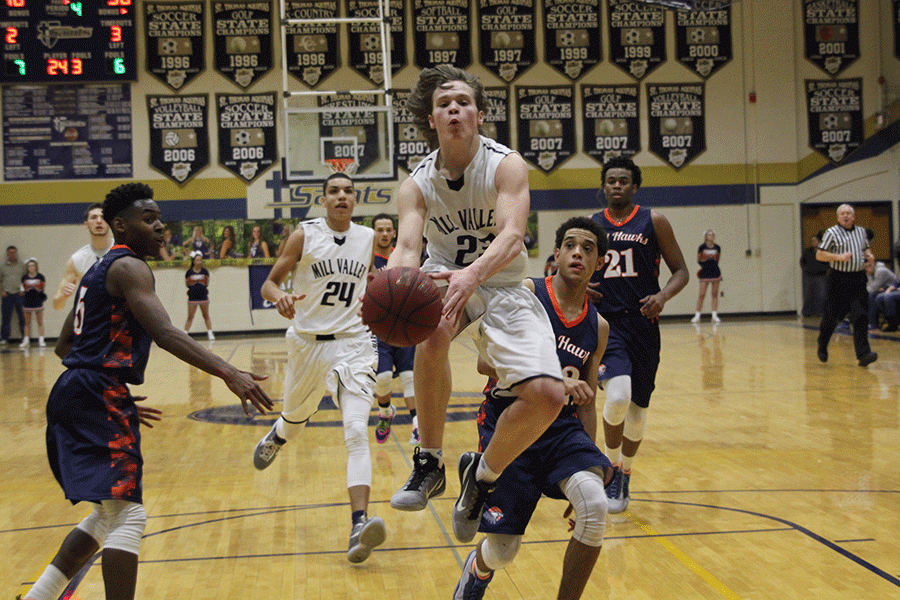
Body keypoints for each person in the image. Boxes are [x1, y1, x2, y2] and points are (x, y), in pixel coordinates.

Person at [18, 182, 273, 600]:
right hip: (94, 391)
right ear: (120, 225)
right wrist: (229, 372)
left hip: (79, 390)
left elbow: (67, 345)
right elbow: (165, 332)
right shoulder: (129, 267)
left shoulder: (98, 270)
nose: (160, 227)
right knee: (129, 517)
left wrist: (106, 386)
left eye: (160, 219)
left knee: (105, 515)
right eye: (149, 219)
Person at [382, 65, 567, 547]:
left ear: (480, 114)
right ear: (431, 120)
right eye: (444, 104)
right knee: (430, 330)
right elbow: (406, 244)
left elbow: (511, 237)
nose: (454, 110)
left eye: (463, 102)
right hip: (446, 278)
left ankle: (481, 477)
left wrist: (473, 274)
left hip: (503, 283)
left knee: (549, 396)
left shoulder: (506, 165)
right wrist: (398, 281)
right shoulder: (416, 184)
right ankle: (429, 461)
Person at [454, 217, 614, 600]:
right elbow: (484, 363)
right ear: (556, 255)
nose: (578, 252)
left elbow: (588, 403)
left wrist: (589, 457)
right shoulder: (528, 293)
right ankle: (477, 569)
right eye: (571, 245)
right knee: (503, 552)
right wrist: (554, 379)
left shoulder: (599, 326)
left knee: (593, 506)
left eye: (588, 248)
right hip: (512, 422)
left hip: (563, 432)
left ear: (599, 263)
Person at [251, 173, 387, 564]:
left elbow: (372, 280)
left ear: (354, 200)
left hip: (355, 343)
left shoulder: (366, 238)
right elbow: (270, 284)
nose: (341, 196)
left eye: (347, 192)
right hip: (308, 344)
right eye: (334, 191)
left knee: (356, 429)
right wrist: (280, 298)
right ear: (324, 200)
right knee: (295, 418)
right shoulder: (303, 236)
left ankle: (359, 523)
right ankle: (278, 435)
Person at [589, 155, 689, 514]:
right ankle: (611, 469)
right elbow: (573, 270)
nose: (616, 186)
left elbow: (681, 271)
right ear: (604, 186)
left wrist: (662, 296)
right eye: (611, 181)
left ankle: (625, 473)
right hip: (605, 324)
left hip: (644, 325)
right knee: (617, 397)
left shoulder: (654, 221)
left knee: (637, 410)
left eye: (623, 181)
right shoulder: (592, 225)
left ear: (635, 186)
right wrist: (581, 288)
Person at [370, 213, 420, 445]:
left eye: (388, 229)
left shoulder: (406, 258)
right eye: (380, 230)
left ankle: (417, 426)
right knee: (383, 378)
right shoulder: (366, 259)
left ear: (395, 233)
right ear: (374, 233)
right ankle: (385, 412)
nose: (384, 234)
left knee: (410, 376)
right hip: (377, 327)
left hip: (402, 325)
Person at [816, 204, 877, 366]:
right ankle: (822, 344)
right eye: (842, 213)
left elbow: (866, 249)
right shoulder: (831, 233)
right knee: (832, 317)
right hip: (838, 279)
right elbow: (820, 255)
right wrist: (839, 257)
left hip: (858, 278)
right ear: (838, 218)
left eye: (849, 213)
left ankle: (863, 354)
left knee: (861, 315)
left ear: (854, 217)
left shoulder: (861, 232)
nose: (846, 216)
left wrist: (869, 256)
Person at [52, 203, 114, 310]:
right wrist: (64, 296)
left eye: (103, 217)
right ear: (86, 225)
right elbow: (56, 305)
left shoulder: (123, 250)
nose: (99, 221)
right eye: (94, 217)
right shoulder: (77, 260)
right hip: (93, 319)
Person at [691, 230, 722, 324]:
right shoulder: (702, 247)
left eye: (712, 235)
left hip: (715, 272)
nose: (711, 236)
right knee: (701, 295)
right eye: (709, 235)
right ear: (706, 236)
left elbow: (717, 259)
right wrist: (705, 267)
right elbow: (699, 260)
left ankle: (714, 315)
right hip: (704, 272)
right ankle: (697, 316)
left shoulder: (717, 247)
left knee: (714, 294)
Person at [184, 251, 215, 340]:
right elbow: (187, 284)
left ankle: (210, 333)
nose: (199, 262)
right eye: (197, 260)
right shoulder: (189, 272)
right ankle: (185, 334)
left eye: (200, 260)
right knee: (190, 316)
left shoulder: (205, 271)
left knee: (206, 315)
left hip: (203, 297)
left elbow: (206, 283)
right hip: (193, 298)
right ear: (194, 261)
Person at [1, 245, 27, 345]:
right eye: (10, 252)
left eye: (14, 252)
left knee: (22, 317)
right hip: (7, 295)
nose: (12, 254)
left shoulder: (21, 265)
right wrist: (2, 291)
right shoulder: (2, 266)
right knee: (6, 318)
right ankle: (4, 338)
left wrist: (23, 290)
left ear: (16, 253)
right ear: (7, 254)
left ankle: (24, 337)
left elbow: (25, 279)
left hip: (19, 295)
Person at [19, 258, 47, 348]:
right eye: (29, 266)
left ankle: (41, 340)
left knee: (40, 322)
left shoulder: (40, 277)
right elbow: (22, 289)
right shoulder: (24, 277)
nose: (31, 267)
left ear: (36, 267)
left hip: (38, 301)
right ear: (27, 267)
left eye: (33, 265)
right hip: (27, 301)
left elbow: (42, 288)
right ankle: (26, 340)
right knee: (27, 322)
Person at [800, 233, 828, 317]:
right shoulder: (807, 251)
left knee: (821, 295)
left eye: (815, 241)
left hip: (820, 276)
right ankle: (806, 312)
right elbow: (802, 261)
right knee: (808, 294)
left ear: (819, 242)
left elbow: (828, 263)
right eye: (812, 241)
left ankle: (820, 312)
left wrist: (823, 270)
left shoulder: (823, 252)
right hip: (809, 276)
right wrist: (805, 269)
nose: (813, 243)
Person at [865, 260, 897, 330]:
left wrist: (869, 276)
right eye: (866, 267)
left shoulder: (880, 271)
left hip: (893, 289)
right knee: (868, 295)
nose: (868, 268)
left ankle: (873, 324)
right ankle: (869, 323)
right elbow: (869, 287)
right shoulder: (871, 272)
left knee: (872, 295)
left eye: (870, 266)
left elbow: (872, 288)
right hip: (885, 290)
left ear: (874, 264)